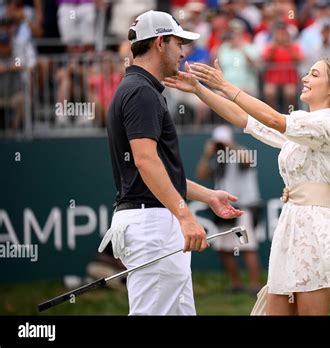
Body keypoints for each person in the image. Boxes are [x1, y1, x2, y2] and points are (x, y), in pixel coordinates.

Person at [163, 56, 330, 315]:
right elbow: (246, 120)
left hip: (313, 230)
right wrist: (199, 89)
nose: (305, 78)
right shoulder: (306, 122)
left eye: (314, 74)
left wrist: (226, 86)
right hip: (290, 225)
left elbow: (272, 119)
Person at [101, 10, 243, 316]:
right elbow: (145, 161)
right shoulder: (141, 92)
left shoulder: (140, 89)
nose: (183, 51)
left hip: (152, 221)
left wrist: (207, 196)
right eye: (179, 43)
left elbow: (158, 170)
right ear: (160, 42)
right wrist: (185, 216)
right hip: (153, 224)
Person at [196, 125, 262, 294]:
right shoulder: (216, 159)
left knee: (246, 246)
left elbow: (247, 161)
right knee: (224, 248)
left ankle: (255, 285)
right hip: (224, 209)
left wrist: (230, 147)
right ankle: (235, 284)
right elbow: (202, 174)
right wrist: (207, 154)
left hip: (243, 209)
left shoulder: (241, 152)